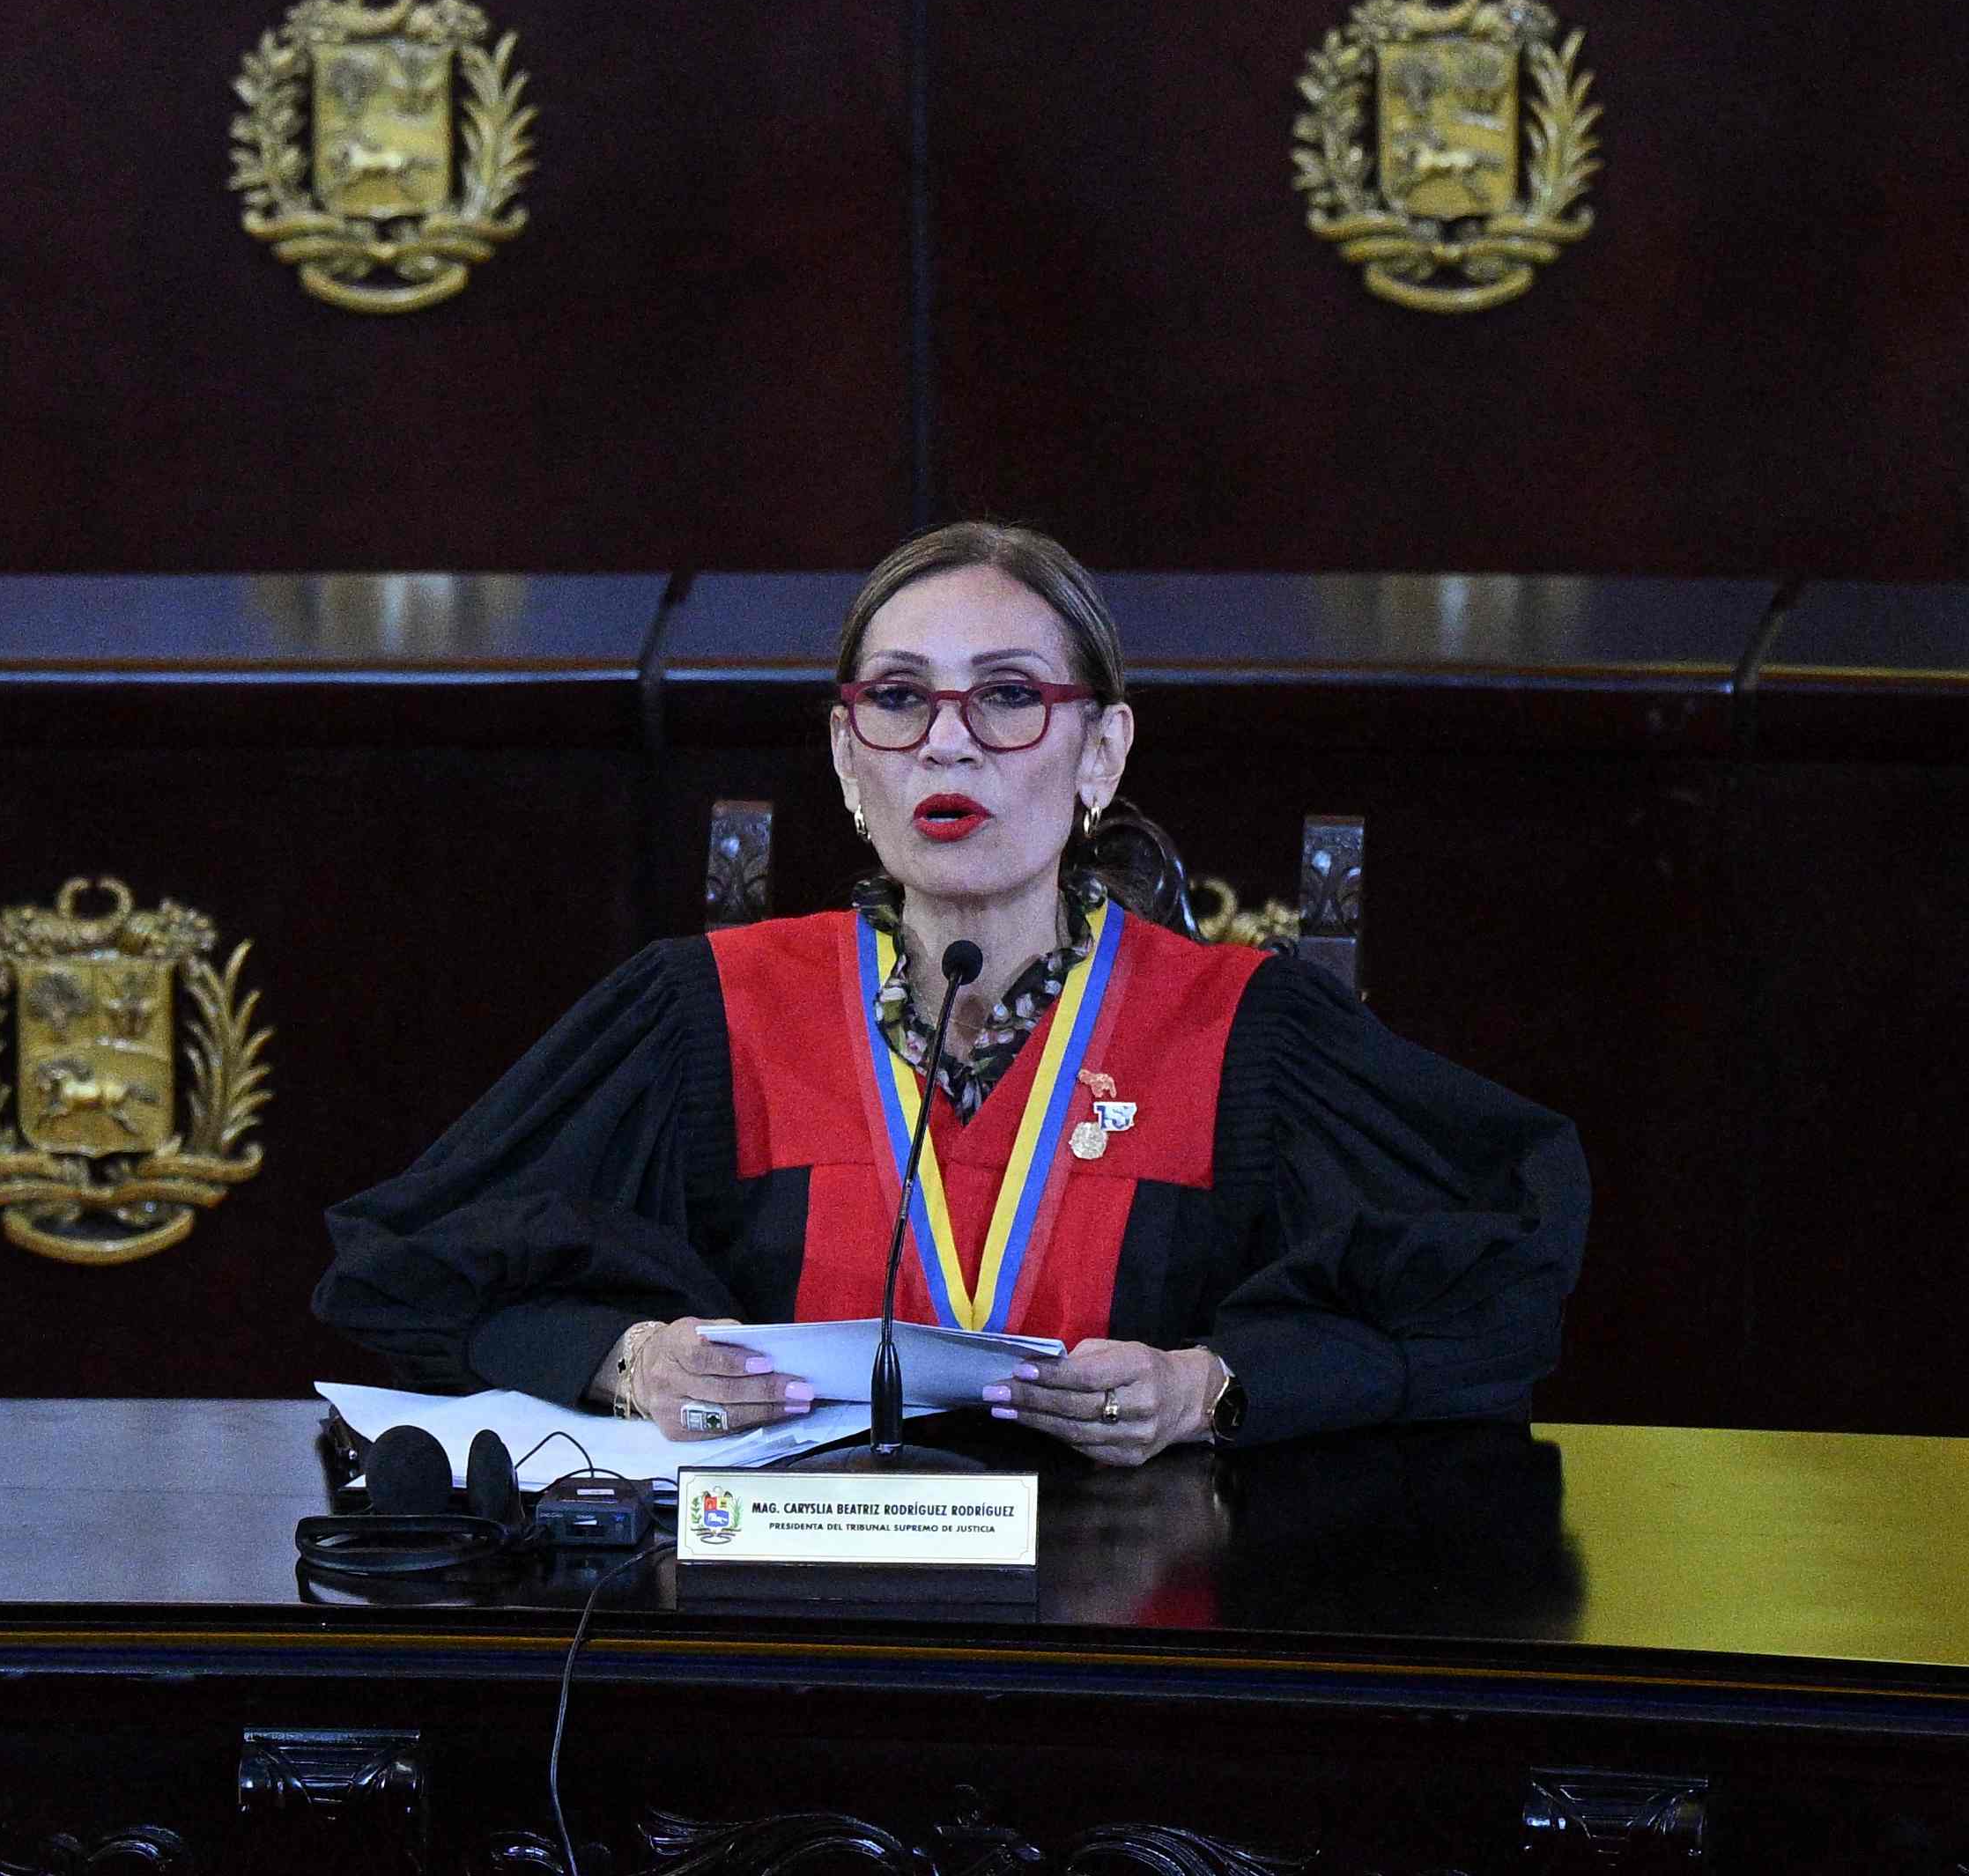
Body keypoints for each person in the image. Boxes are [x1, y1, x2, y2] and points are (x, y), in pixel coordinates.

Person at [319, 521, 1585, 1460]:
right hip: (783, 1628)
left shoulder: (1240, 1029)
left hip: (1137, 1625)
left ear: (1103, 751)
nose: (947, 737)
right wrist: (627, 1359)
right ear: (845, 755)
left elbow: (1498, 1288)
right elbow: (408, 1263)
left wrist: (1214, 1384)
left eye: (1009, 695)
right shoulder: (706, 1012)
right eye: (901, 697)